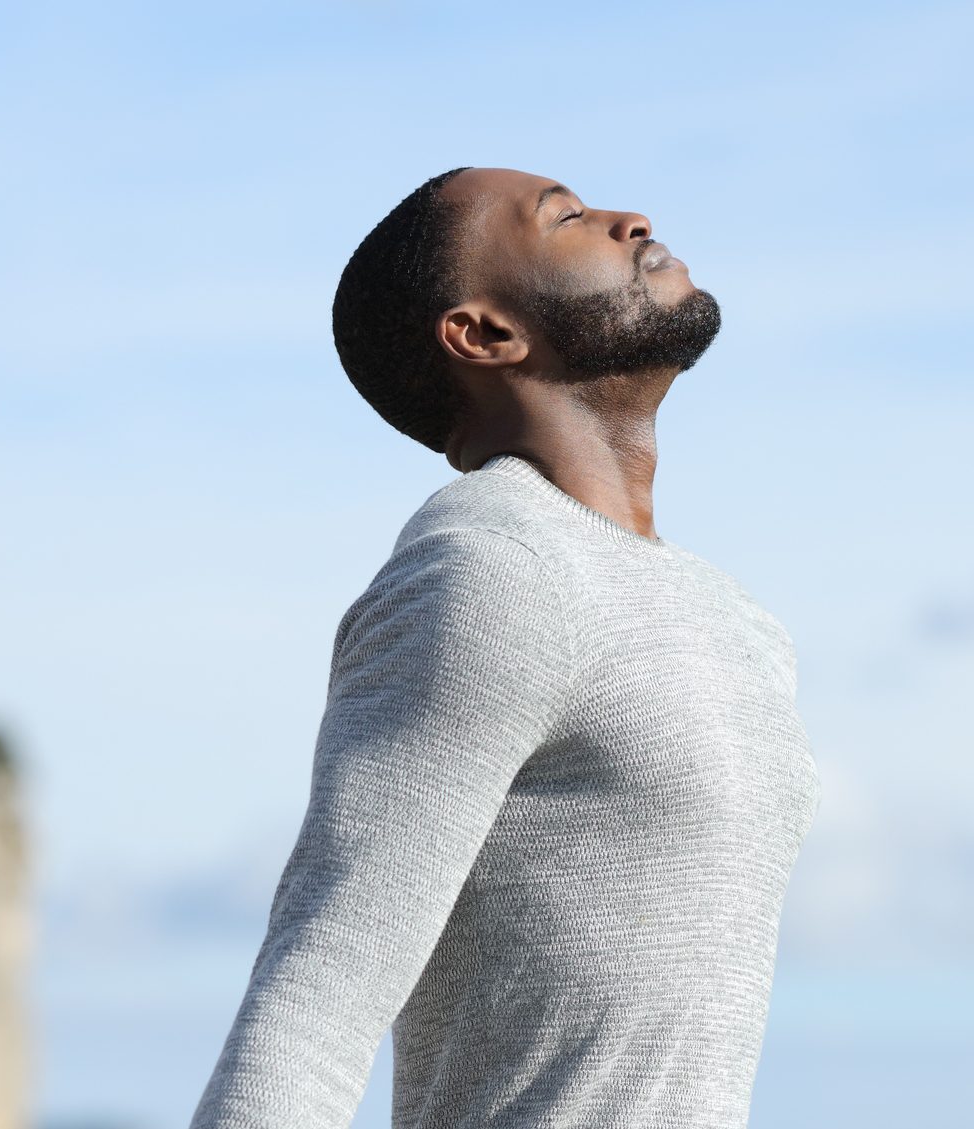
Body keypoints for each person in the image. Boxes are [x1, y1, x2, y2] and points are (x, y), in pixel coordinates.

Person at [188, 167, 821, 1129]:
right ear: (485, 334)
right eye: (567, 217)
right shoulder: (488, 571)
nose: (630, 218)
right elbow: (314, 1001)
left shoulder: (738, 620)